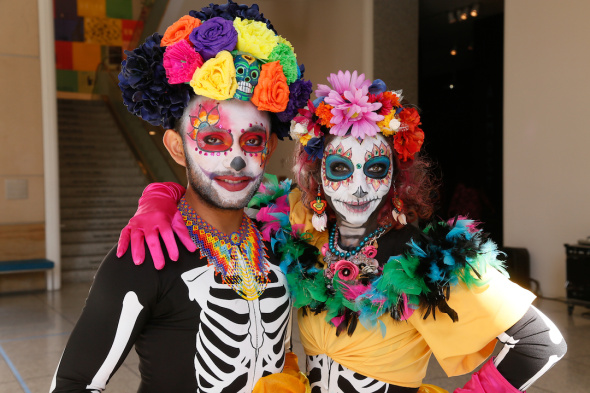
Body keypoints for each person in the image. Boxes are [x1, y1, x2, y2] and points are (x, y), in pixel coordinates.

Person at [118, 69, 567, 393]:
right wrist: (157, 197)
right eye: (339, 168)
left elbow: (539, 343)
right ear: (317, 175)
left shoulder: (421, 258)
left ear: (395, 176)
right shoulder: (306, 234)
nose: (356, 188)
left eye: (374, 168)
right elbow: (224, 193)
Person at [50, 2, 312, 392]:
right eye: (212, 140)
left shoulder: (279, 244)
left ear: (270, 146)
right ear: (176, 147)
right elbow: (73, 383)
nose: (236, 160)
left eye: (252, 141)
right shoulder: (144, 257)